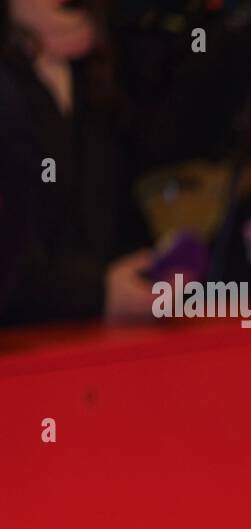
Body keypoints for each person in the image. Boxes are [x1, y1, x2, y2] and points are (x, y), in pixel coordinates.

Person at [0, 0, 157, 326]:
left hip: (96, 348)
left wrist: (148, 270)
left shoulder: (101, 77)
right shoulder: (13, 92)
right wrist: (97, 293)